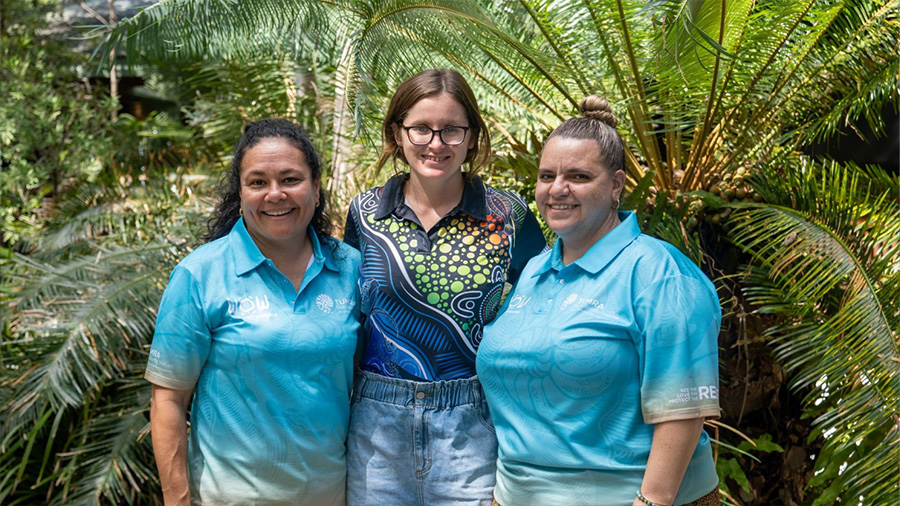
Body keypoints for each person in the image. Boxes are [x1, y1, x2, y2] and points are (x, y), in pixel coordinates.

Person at [477, 96, 721, 506]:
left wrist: (651, 501)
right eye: (546, 175)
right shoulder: (534, 272)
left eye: (578, 176)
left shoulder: (658, 273)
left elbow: (683, 405)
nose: (557, 189)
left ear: (616, 185)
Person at [343, 69, 546, 506]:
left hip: (472, 421)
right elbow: (349, 317)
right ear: (397, 133)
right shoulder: (364, 214)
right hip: (377, 425)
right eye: (420, 128)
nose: (436, 144)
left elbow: (542, 308)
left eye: (451, 129)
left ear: (472, 136)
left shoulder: (509, 215)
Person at [145, 118, 361, 506]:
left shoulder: (351, 269)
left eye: (291, 179)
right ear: (240, 193)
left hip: (332, 495)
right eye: (258, 182)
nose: (275, 194)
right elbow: (168, 400)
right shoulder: (200, 274)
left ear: (315, 188)